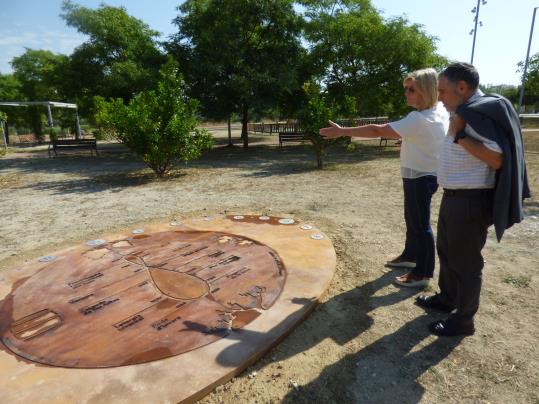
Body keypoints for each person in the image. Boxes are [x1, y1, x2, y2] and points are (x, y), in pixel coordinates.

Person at [416, 62, 530, 337]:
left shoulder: (474, 114)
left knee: (466, 263)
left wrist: (459, 135)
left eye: (443, 91)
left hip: (469, 201)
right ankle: (447, 299)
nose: (440, 97)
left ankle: (463, 321)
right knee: (446, 250)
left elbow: (497, 158)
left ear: (462, 87)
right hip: (454, 197)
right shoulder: (464, 112)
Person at [320, 68, 448, 288]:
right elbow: (435, 136)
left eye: (411, 89)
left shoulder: (418, 119)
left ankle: (423, 273)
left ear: (426, 92)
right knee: (413, 219)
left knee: (420, 224)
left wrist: (342, 131)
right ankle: (410, 256)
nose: (406, 93)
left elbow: (376, 130)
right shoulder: (438, 111)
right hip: (424, 174)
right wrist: (411, 141)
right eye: (405, 89)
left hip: (419, 177)